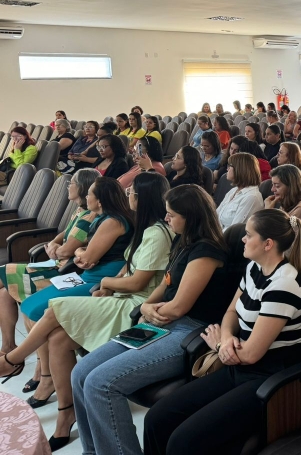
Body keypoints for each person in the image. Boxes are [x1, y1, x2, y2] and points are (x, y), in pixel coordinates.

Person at [0, 174, 173, 451]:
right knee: (56, 338)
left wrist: (106, 283)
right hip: (119, 292)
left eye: (133, 192)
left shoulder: (155, 232)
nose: (128, 194)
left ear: (143, 198)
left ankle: (13, 358)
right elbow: (126, 267)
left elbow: (139, 282)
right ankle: (65, 412)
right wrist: (110, 285)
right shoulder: (143, 228)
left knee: (55, 309)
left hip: (134, 302)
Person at [72, 185, 230, 455]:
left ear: (190, 216)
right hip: (159, 323)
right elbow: (164, 288)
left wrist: (152, 311)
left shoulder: (206, 251)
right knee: (80, 374)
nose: (167, 219)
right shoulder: (183, 242)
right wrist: (146, 307)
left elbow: (179, 307)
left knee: (101, 384)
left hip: (187, 332)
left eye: (171, 215)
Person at [143, 208, 301, 455]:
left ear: (268, 244)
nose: (242, 239)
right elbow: (231, 312)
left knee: (183, 442)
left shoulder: (284, 284)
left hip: (268, 377)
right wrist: (228, 337)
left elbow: (252, 354)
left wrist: (220, 345)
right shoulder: (254, 268)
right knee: (156, 418)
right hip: (238, 364)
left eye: (248, 235)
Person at [0, 168, 99, 399]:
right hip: (57, 264)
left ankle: (41, 370)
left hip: (66, 269)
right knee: (5, 293)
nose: (67, 186)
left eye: (71, 183)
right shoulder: (79, 210)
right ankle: (9, 348)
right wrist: (55, 245)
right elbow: (60, 238)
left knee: (13, 285)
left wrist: (57, 249)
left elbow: (66, 248)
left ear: (82, 188)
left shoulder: (90, 217)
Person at [216, 153, 265, 231]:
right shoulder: (233, 191)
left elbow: (234, 231)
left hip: (227, 240)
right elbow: (216, 216)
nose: (227, 169)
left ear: (239, 169)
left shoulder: (251, 197)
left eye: (230, 166)